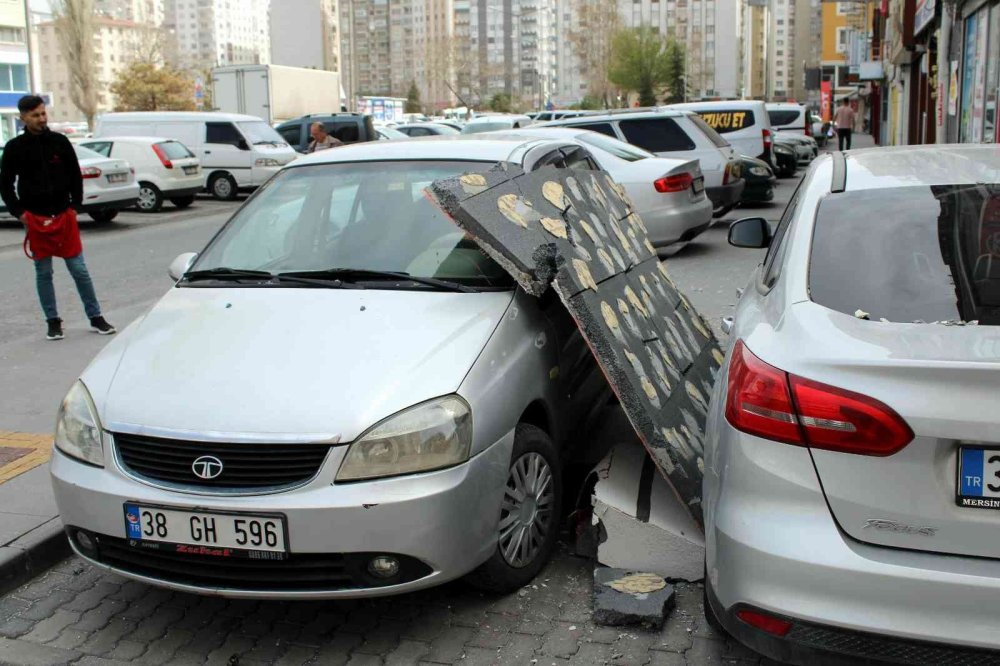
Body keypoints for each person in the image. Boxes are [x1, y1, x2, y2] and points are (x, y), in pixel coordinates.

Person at [0, 95, 116, 341]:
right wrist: (20, 213)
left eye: (43, 113)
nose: (41, 119)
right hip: (36, 219)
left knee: (79, 270)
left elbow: (75, 176)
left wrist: (75, 207)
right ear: (23, 118)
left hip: (64, 216)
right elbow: (6, 185)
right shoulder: (14, 148)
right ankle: (53, 322)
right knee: (43, 273)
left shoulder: (60, 142)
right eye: (35, 115)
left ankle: (96, 317)